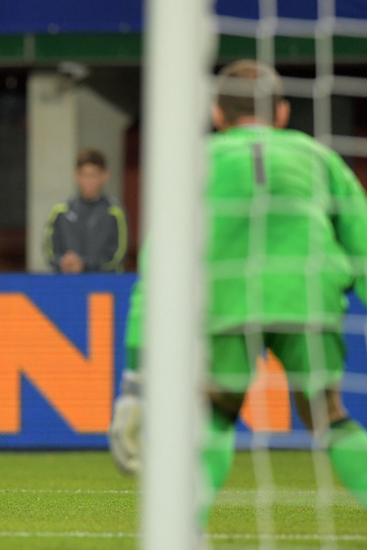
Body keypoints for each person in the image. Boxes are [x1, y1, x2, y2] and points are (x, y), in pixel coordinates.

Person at [109, 60, 367, 524]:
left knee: (217, 409)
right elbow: (364, 245)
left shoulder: (195, 165)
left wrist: (134, 379)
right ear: (282, 113)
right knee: (327, 414)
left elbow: (157, 275)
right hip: (308, 296)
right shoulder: (319, 157)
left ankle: (185, 530)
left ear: (217, 114)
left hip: (228, 302)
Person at [44, 148, 128, 273]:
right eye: (84, 175)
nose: (88, 181)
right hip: (67, 283)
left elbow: (119, 254)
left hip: (104, 285)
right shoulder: (60, 210)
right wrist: (63, 262)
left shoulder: (114, 212)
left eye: (94, 175)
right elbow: (49, 250)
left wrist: (84, 264)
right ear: (76, 175)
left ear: (105, 176)